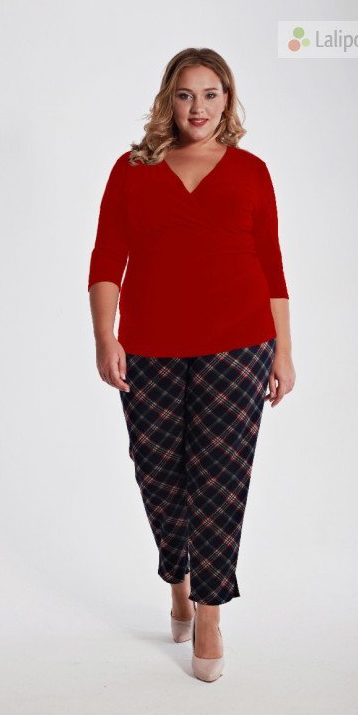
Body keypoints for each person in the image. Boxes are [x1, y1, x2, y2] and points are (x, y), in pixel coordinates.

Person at [88, 47, 296, 682]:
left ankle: (209, 612)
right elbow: (106, 258)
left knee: (220, 478)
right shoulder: (132, 169)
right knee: (158, 475)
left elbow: (272, 265)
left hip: (240, 343)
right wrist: (104, 336)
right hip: (149, 346)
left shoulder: (252, 171)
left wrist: (284, 350)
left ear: (227, 100)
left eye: (210, 94)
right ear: (168, 100)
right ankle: (177, 581)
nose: (198, 107)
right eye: (186, 94)